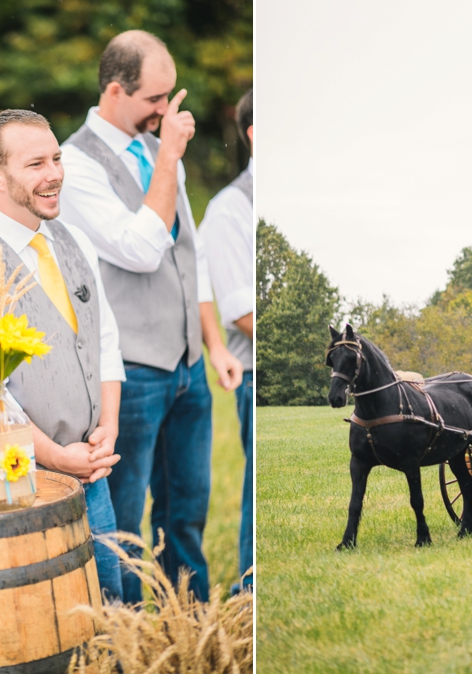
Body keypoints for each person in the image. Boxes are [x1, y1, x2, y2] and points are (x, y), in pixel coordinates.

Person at [58, 30, 243, 603]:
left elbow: (192, 252)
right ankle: (134, 636)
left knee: (186, 511)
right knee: (127, 519)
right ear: (116, 90)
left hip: (188, 365)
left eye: (169, 98)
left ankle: (191, 624)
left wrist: (213, 344)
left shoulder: (160, 150)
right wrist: (168, 156)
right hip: (130, 370)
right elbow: (139, 248)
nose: (166, 112)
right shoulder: (75, 164)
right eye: (155, 100)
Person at [0, 109, 126, 601]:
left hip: (92, 474)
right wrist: (56, 457)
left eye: (56, 158)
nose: (55, 173)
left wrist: (108, 427)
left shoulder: (75, 241)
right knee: (43, 619)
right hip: (13, 489)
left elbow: (104, 341)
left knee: (110, 604)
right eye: (36, 164)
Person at [198, 88, 253, 594]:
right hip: (255, 373)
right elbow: (243, 313)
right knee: (257, 495)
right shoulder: (230, 209)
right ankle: (252, 597)